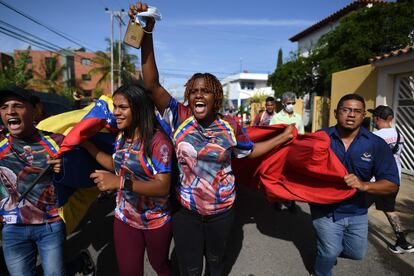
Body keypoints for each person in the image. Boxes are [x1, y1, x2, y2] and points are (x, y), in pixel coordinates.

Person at [129, 3, 294, 275]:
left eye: (205, 91)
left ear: (215, 96)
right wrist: (147, 31)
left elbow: (248, 152)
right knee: (190, 269)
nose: (198, 95)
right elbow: (151, 85)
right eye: (193, 91)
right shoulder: (178, 117)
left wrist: (283, 137)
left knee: (216, 266)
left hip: (223, 212)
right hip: (186, 213)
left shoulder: (230, 126)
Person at [81, 83, 173, 276]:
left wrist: (120, 183)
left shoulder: (158, 142)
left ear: (139, 108)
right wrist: (86, 143)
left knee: (161, 267)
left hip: (155, 222)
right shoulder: (121, 137)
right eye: (115, 106)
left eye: (122, 107)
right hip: (124, 218)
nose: (116, 112)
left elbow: (163, 187)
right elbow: (115, 165)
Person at [310, 94, 400, 276]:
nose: (351, 115)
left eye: (357, 111)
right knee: (329, 251)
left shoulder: (375, 144)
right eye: (346, 110)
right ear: (336, 113)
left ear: (364, 115)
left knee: (356, 253)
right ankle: (320, 270)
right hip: (325, 210)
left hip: (357, 210)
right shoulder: (319, 138)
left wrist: (364, 185)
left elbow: (392, 184)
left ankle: (326, 251)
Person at [0, 86, 64, 275]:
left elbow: (81, 176)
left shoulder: (56, 142)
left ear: (34, 110)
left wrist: (65, 168)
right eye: (4, 107)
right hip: (12, 230)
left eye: (17, 105)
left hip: (49, 227)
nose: (10, 111)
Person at [368, 105, 414, 254]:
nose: (373, 119)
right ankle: (402, 242)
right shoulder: (400, 135)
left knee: (356, 206)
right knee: (389, 210)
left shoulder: (375, 136)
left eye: (374, 116)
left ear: (377, 118)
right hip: (394, 179)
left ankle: (347, 237)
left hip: (377, 181)